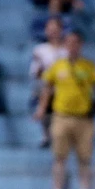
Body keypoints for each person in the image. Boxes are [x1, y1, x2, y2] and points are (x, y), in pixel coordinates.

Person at [35, 31, 95, 189]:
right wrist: (41, 109)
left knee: (84, 158)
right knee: (59, 157)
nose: (72, 47)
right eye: (69, 43)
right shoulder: (57, 66)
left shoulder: (88, 66)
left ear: (80, 45)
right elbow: (47, 88)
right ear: (65, 45)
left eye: (76, 43)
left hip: (84, 118)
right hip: (61, 116)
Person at [30, 17, 68, 147]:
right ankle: (46, 134)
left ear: (61, 31)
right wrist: (40, 65)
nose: (52, 32)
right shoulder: (40, 49)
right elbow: (35, 74)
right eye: (49, 29)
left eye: (55, 29)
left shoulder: (67, 50)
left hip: (65, 85)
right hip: (46, 87)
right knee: (43, 89)